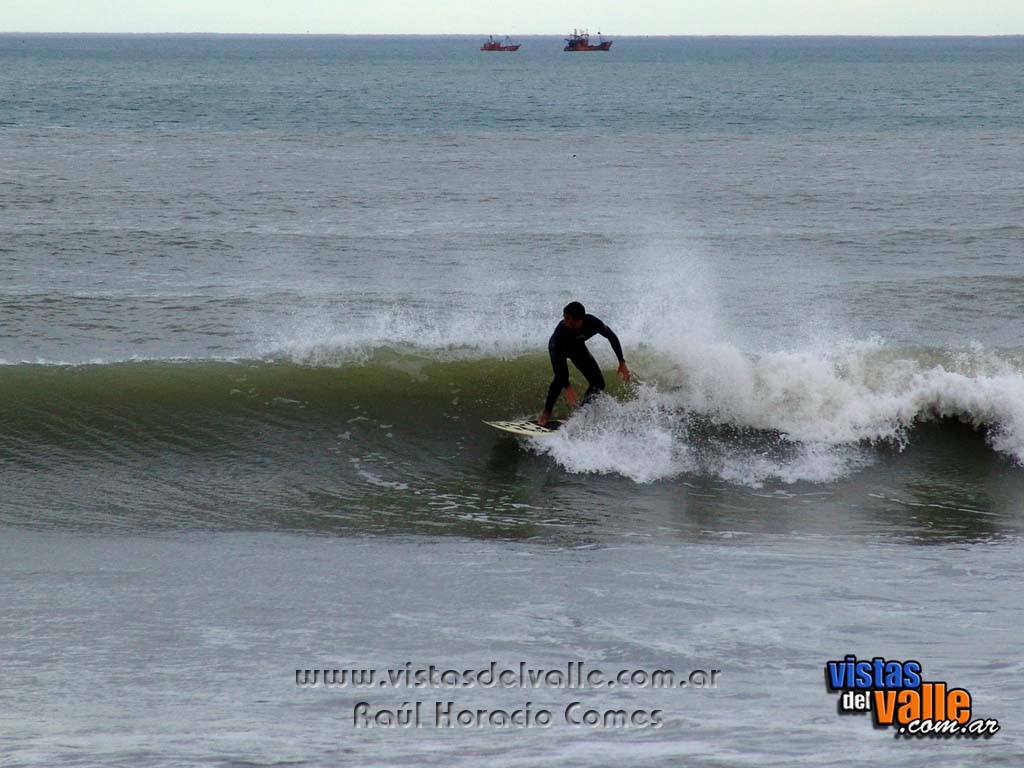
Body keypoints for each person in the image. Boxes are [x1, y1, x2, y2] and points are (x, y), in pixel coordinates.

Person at [537, 301, 630, 426]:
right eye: (564, 317)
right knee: (560, 379)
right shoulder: (561, 331)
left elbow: (611, 336)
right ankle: (546, 414)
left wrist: (621, 361)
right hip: (557, 347)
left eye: (567, 318)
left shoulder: (592, 323)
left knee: (598, 383)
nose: (564, 320)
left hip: (577, 347)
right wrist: (568, 387)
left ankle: (581, 415)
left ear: (578, 318)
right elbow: (559, 367)